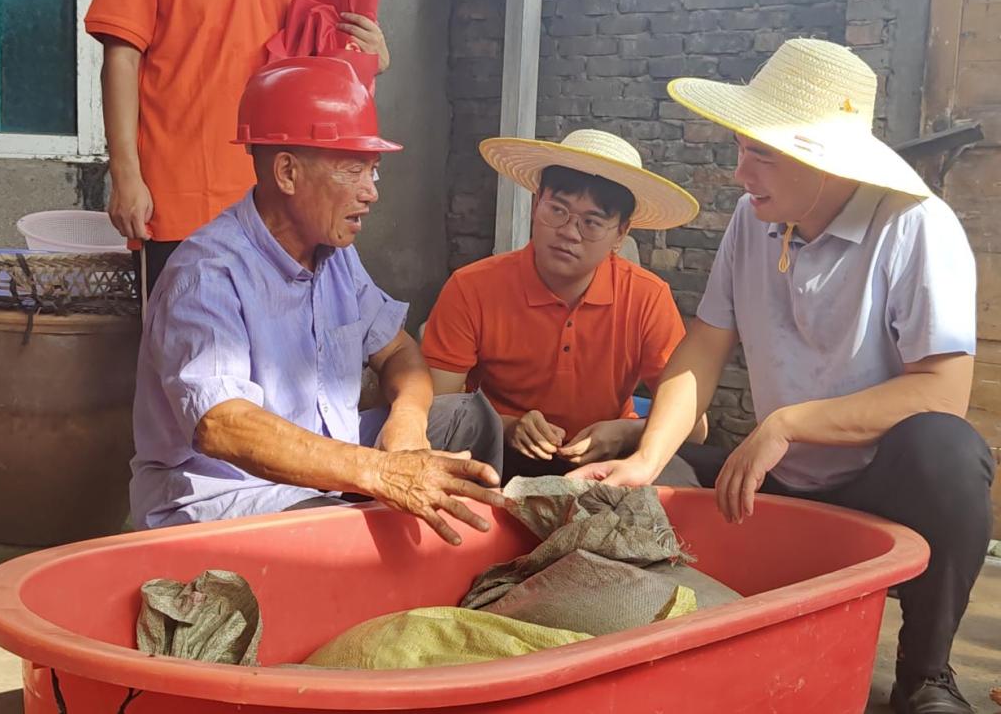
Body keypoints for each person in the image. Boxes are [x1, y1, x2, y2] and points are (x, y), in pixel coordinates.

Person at [570, 38, 995, 714]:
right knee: (647, 479)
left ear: (823, 157)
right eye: (741, 148)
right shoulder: (753, 220)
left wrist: (789, 424)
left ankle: (925, 672)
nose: (741, 171)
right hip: (777, 484)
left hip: (877, 485)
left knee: (949, 451)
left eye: (761, 154)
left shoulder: (915, 227)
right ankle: (697, 642)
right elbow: (704, 346)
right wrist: (646, 457)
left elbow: (942, 391)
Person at [130, 57, 504, 546]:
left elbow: (398, 350)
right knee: (349, 531)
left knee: (469, 419)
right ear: (287, 172)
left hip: (332, 467)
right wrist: (380, 472)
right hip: (231, 500)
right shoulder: (207, 274)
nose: (371, 193)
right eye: (354, 170)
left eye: (374, 171)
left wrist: (408, 423)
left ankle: (448, 561)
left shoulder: (334, 255)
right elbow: (222, 426)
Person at [85, 0, 390, 294]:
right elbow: (122, 58)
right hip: (180, 201)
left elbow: (312, 61)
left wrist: (364, 58)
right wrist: (125, 176)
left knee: (286, 329)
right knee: (184, 327)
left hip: (282, 205)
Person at [421, 129, 705, 485]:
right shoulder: (472, 287)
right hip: (499, 455)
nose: (570, 232)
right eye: (557, 210)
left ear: (620, 234)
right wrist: (507, 426)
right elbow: (435, 411)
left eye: (592, 223)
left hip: (608, 459)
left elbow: (695, 428)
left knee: (683, 481)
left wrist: (625, 432)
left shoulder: (647, 297)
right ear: (536, 204)